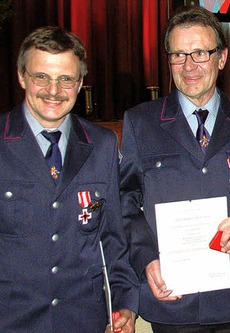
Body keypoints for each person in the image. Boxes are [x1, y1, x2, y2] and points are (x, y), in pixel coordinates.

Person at [119, 5, 230, 332]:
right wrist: (145, 256)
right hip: (171, 296)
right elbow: (124, 200)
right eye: (178, 54)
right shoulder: (141, 123)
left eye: (200, 53)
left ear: (222, 58)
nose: (189, 65)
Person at [0, 26, 137, 332]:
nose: (53, 90)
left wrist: (125, 302)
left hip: (84, 319)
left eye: (65, 79)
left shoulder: (101, 145)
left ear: (79, 84)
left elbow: (113, 237)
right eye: (41, 77)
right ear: (22, 77)